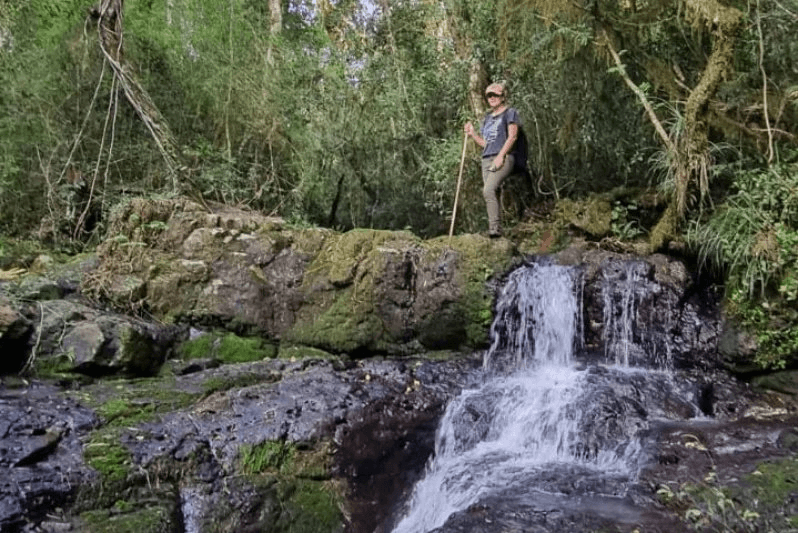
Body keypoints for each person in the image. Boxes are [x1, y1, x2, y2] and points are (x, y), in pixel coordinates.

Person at [464, 82, 524, 238]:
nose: (492, 98)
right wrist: (472, 134)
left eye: (495, 95)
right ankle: (498, 229)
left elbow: (512, 136)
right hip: (486, 158)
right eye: (489, 96)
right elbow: (486, 143)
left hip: (504, 157)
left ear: (502, 96)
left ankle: (494, 230)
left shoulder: (510, 113)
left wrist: (501, 156)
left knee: (488, 190)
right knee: (492, 192)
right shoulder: (487, 119)